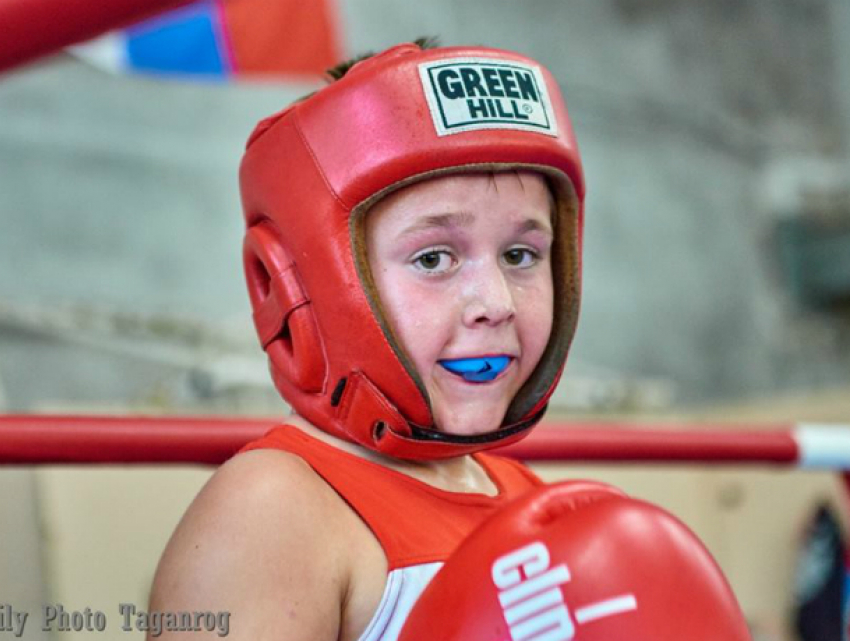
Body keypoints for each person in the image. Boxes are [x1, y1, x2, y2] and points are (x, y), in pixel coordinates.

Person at [148, 40, 750, 641]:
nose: (496, 304)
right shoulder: (272, 512)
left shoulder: (530, 505)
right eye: (433, 258)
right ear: (307, 288)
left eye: (521, 255)